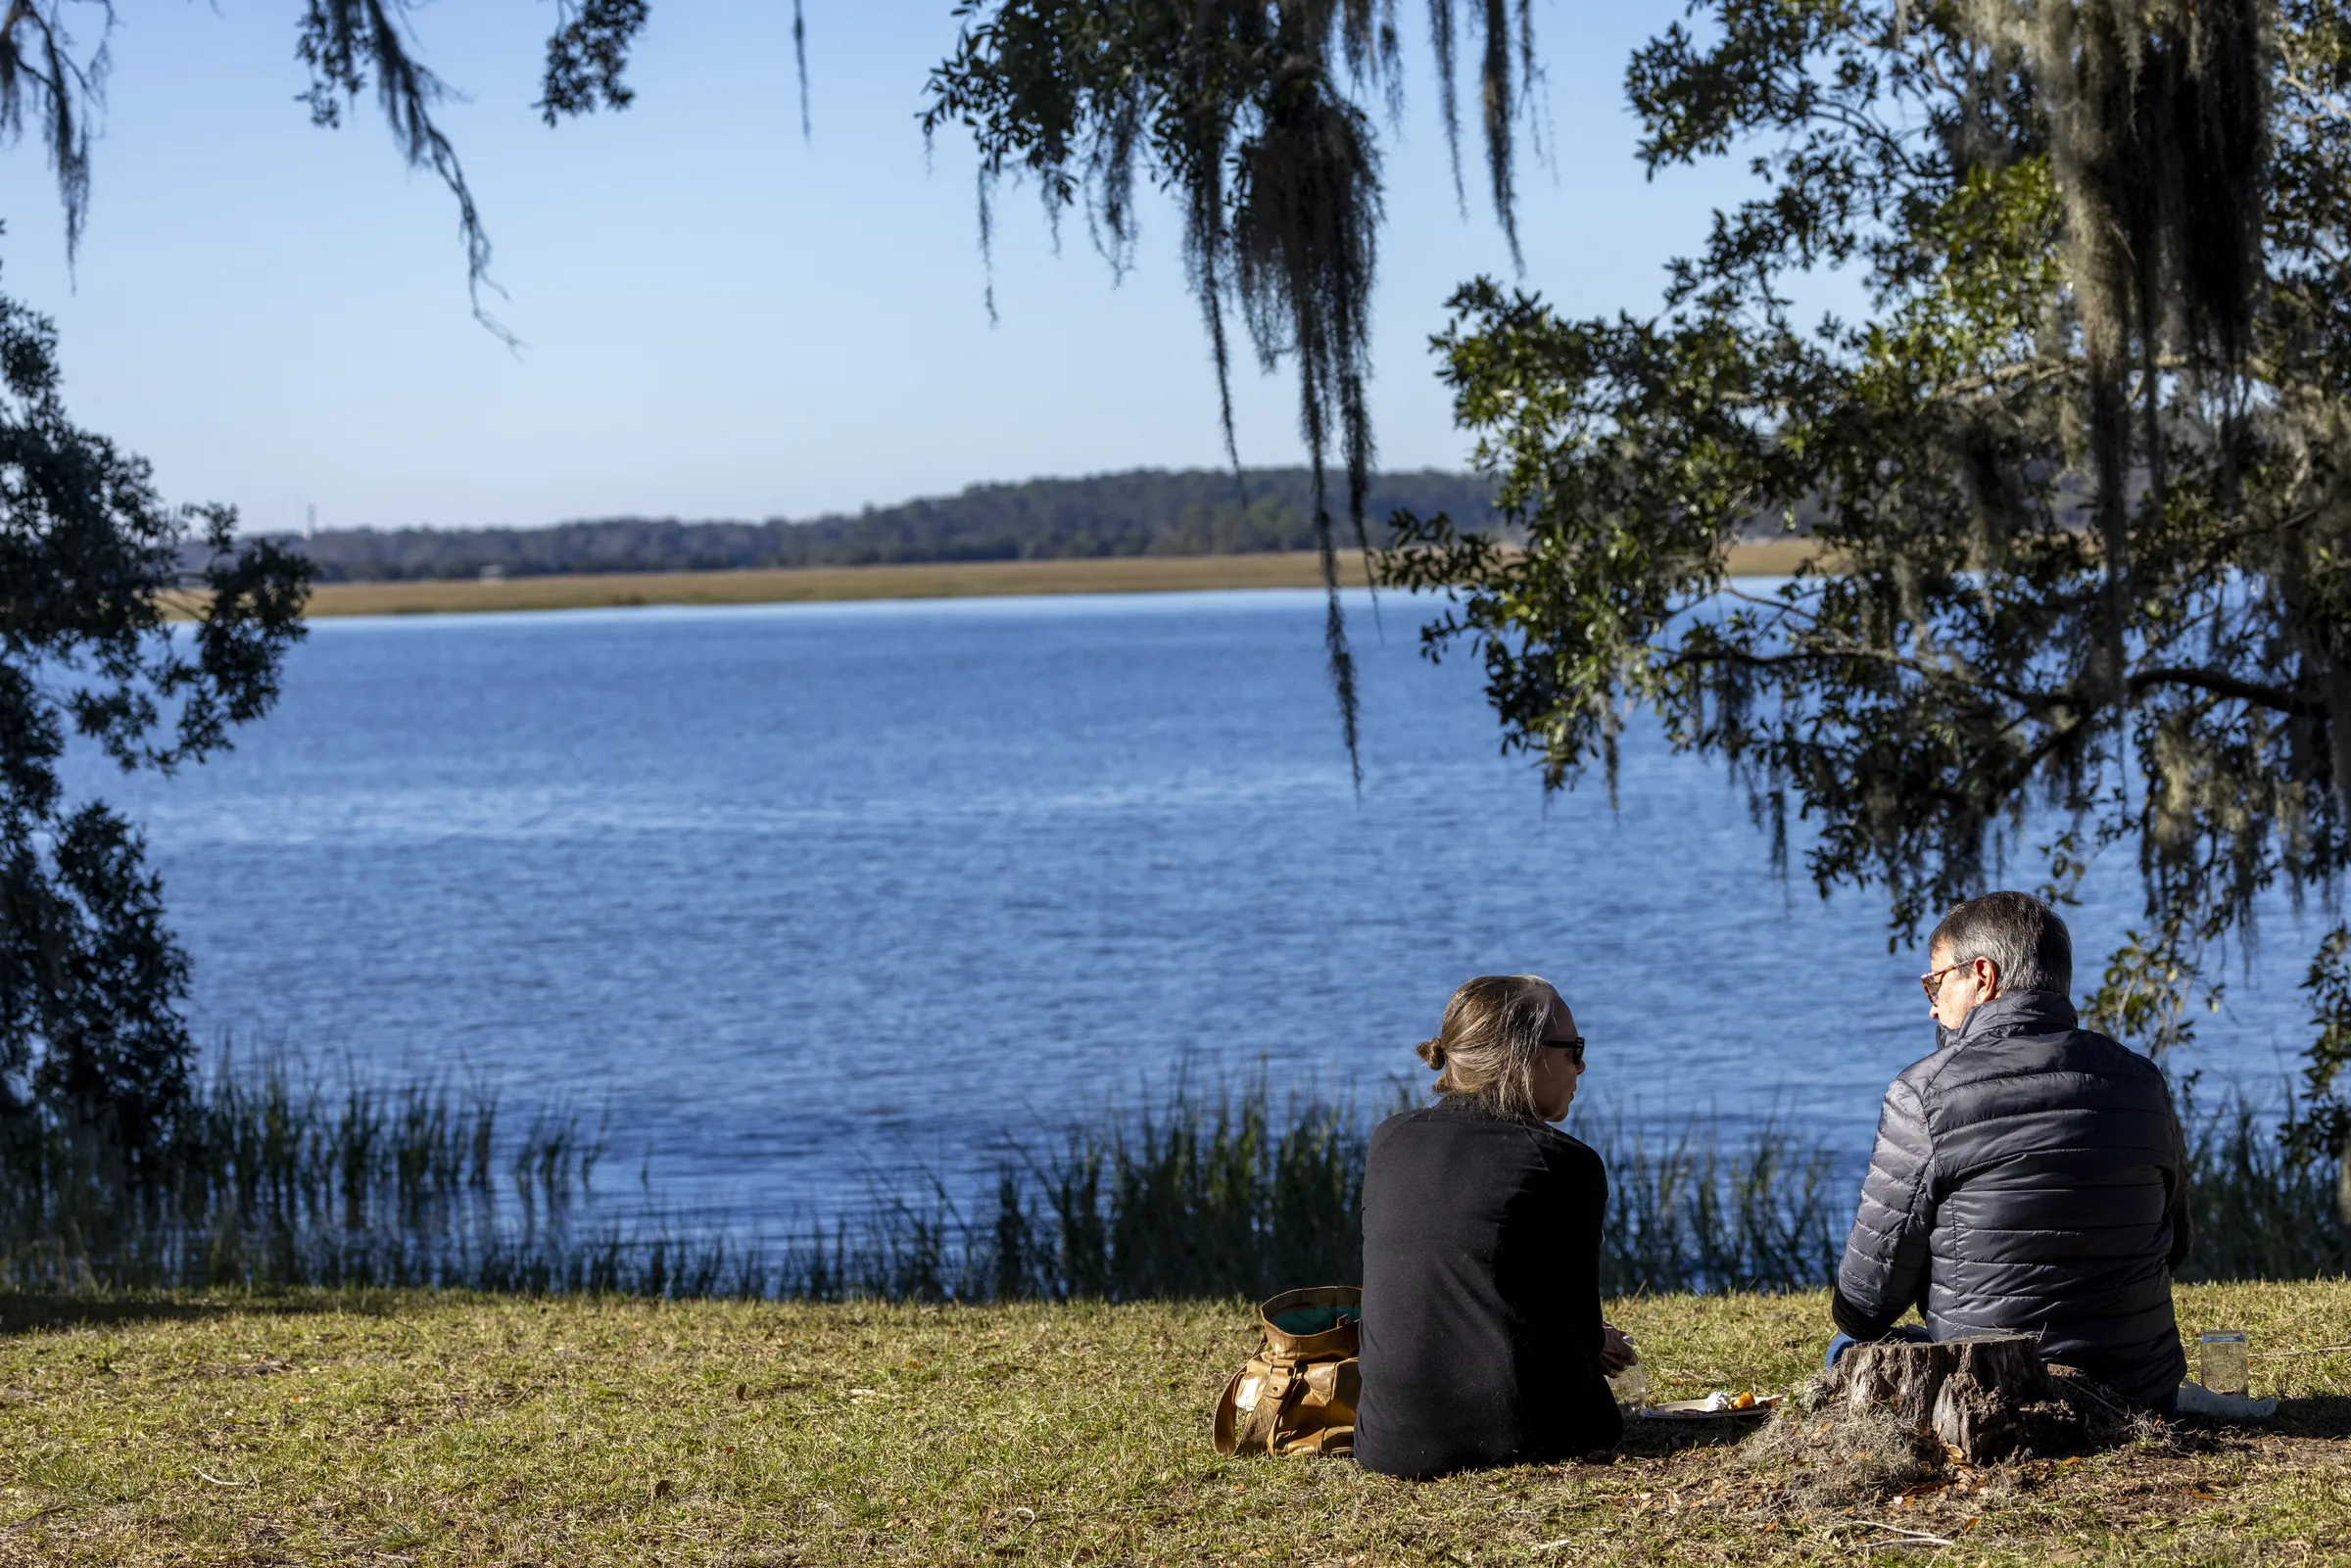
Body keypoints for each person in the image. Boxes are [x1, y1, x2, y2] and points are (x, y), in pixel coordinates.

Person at [1832, 891, 2191, 1412]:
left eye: (1935, 982)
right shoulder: (2142, 1082)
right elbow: (2175, 1243)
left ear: (1982, 976)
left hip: (1993, 1397)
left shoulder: (1924, 1094)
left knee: (1845, 1348)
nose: (1932, 1004)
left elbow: (1866, 1306)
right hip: (2139, 1392)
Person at [1355, 974, 1636, 1479]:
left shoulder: (1388, 1141)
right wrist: (1595, 1341)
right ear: (1525, 1056)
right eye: (1573, 1049)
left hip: (1388, 1440)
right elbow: (1580, 1325)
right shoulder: (1567, 1165)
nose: (1582, 1065)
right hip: (1526, 1435)